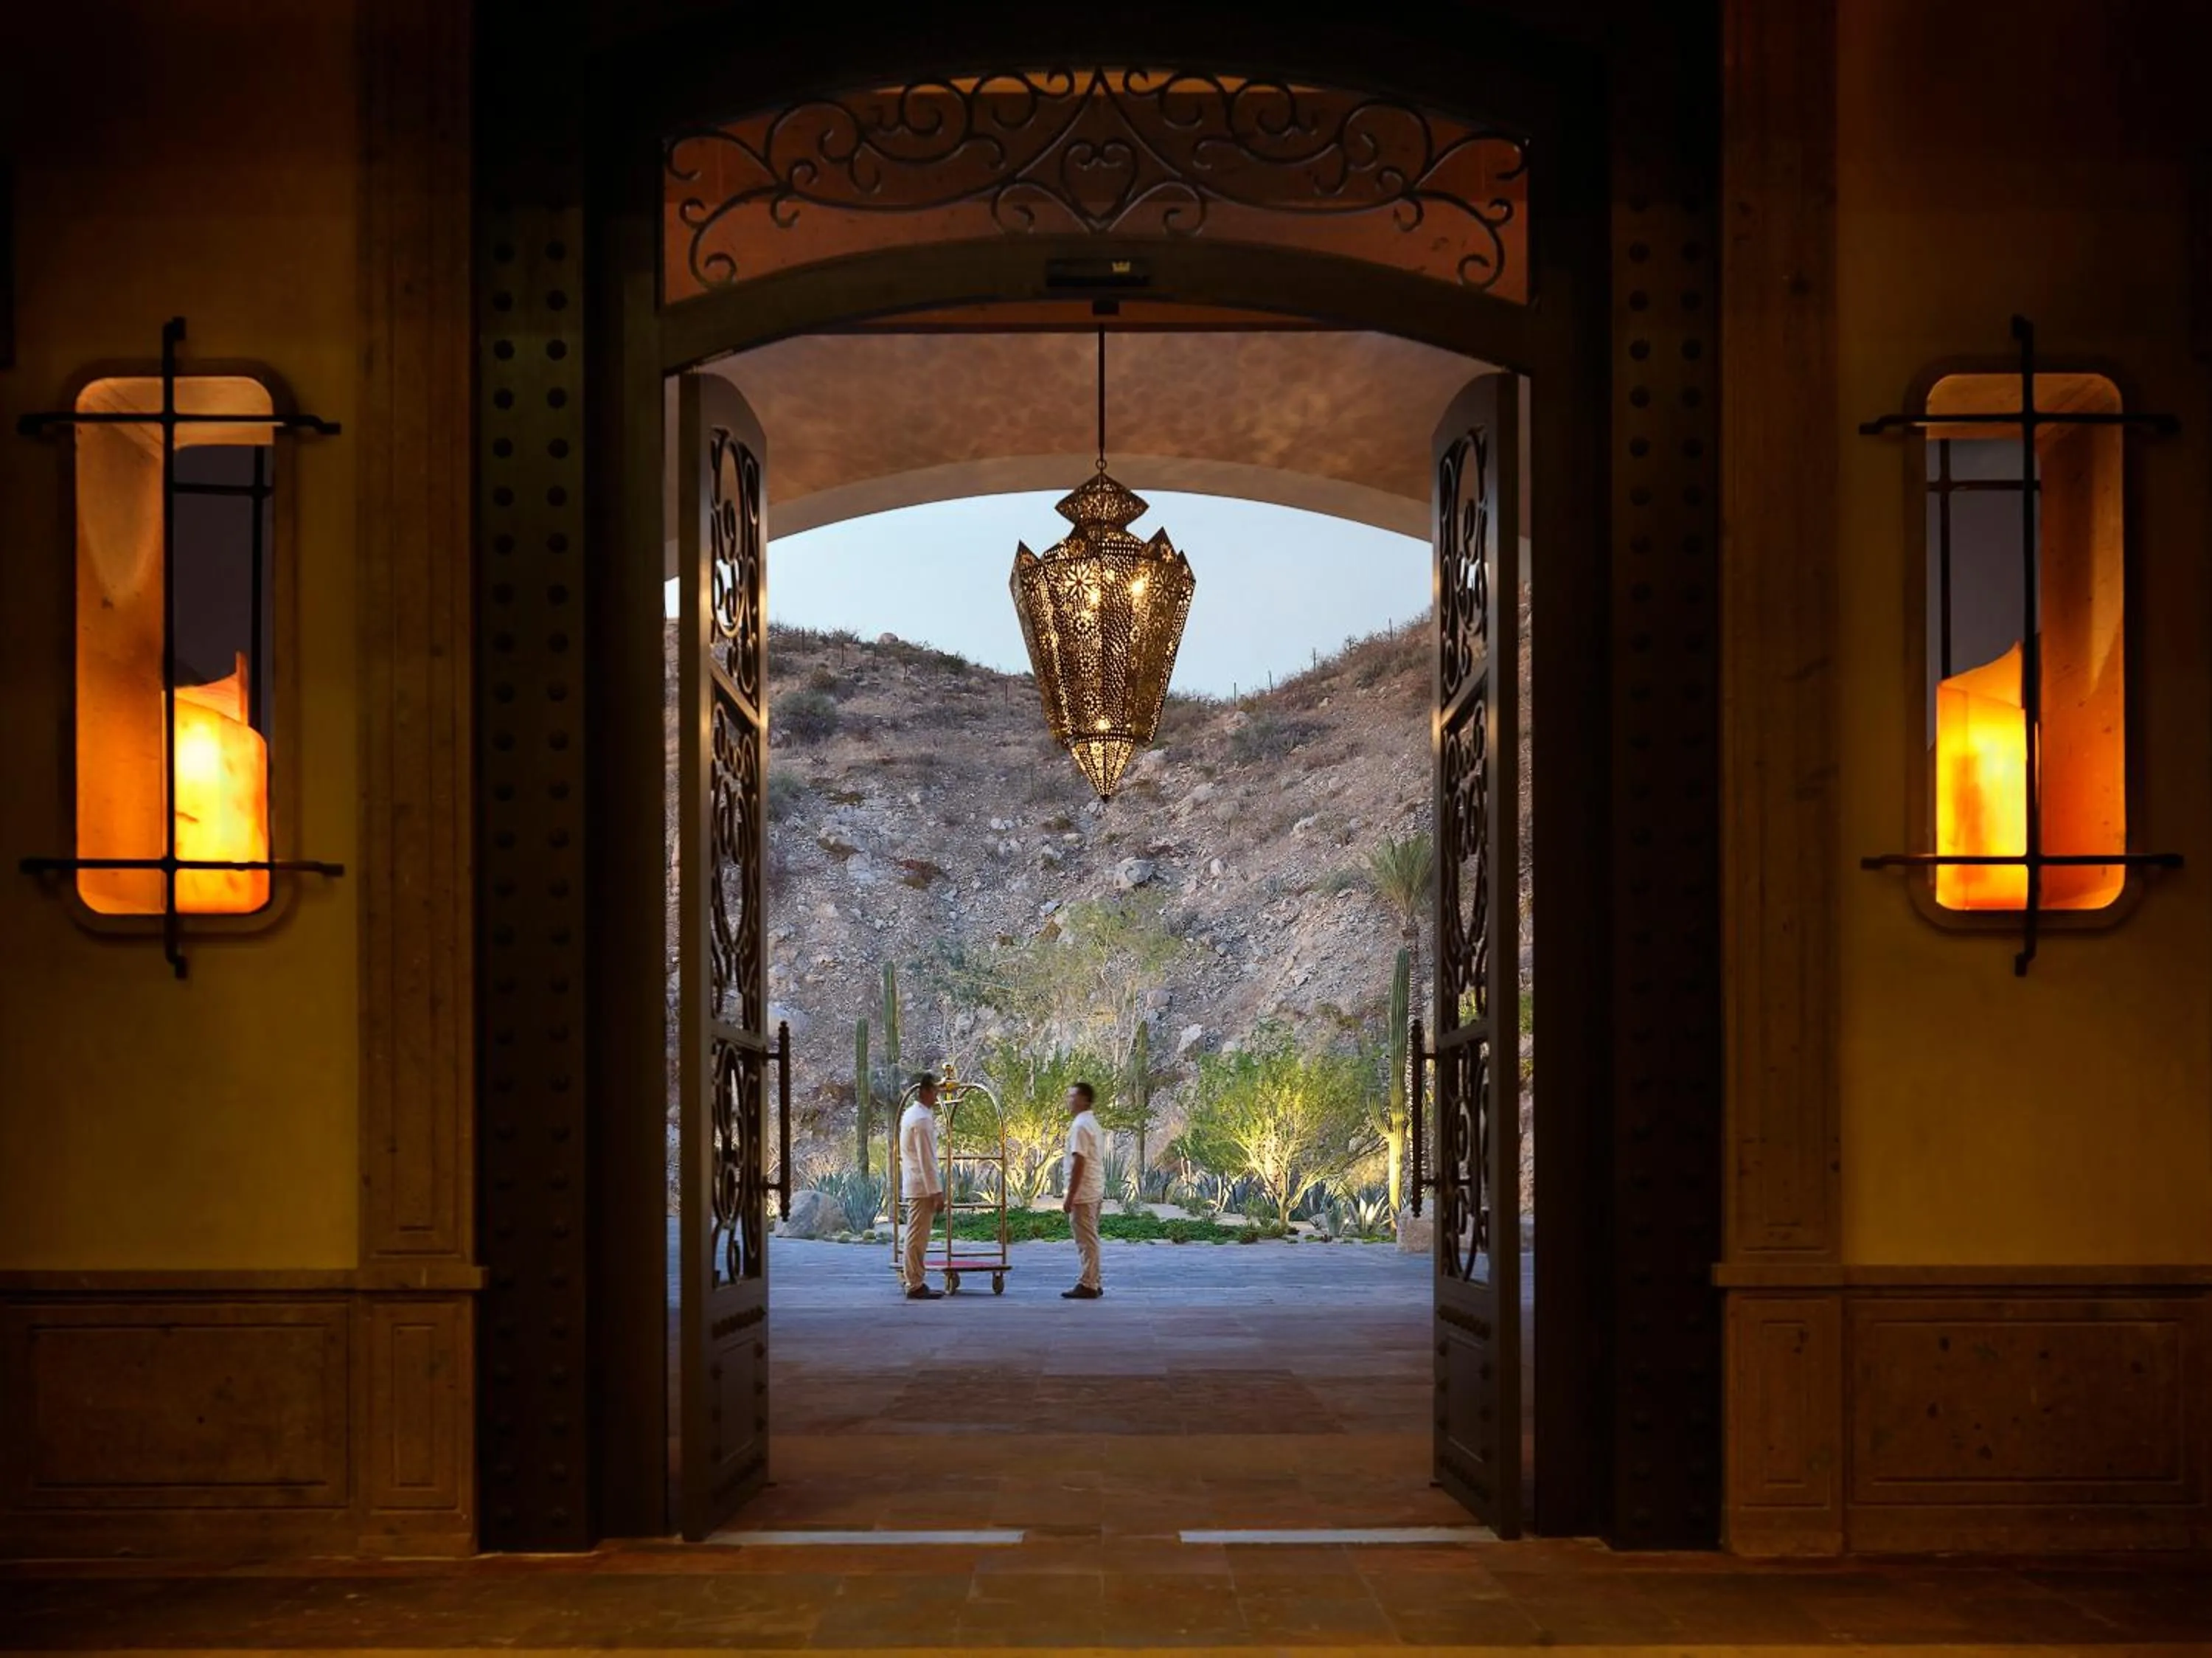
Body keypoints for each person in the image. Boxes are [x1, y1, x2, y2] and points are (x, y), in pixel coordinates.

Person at [898, 1074, 945, 1300]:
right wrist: (936, 1191)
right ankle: (914, 1282)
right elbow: (927, 1160)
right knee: (918, 1236)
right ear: (926, 1091)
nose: (937, 1096)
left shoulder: (912, 1114)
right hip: (922, 1186)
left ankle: (914, 1278)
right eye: (935, 1091)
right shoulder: (922, 1120)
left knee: (915, 1234)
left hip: (915, 1183)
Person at [1060, 1081, 1105, 1300]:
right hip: (1093, 1189)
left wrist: (1071, 1195)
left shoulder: (1080, 1126)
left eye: (1073, 1097)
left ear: (1085, 1099)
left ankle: (1089, 1283)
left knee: (1086, 1240)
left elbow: (1080, 1162)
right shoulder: (1091, 1122)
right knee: (1091, 1237)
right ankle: (1094, 1280)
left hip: (1084, 1192)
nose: (1069, 1101)